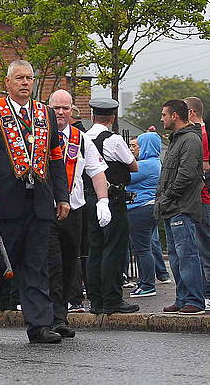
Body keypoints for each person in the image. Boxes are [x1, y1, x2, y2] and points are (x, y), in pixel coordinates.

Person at [0, 59, 70, 344]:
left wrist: (61, 196)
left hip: (38, 201)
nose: (25, 83)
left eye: (29, 78)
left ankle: (39, 325)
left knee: (37, 265)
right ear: (8, 83)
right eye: (19, 78)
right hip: (5, 202)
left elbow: (55, 158)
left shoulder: (45, 113)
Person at [47, 90, 109, 338]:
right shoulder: (39, 137)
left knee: (70, 263)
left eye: (65, 108)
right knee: (52, 263)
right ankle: (50, 317)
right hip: (45, 210)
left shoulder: (81, 139)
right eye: (56, 108)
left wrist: (103, 200)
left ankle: (60, 316)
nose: (60, 112)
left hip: (74, 210)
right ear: (48, 109)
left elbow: (97, 172)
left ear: (72, 111)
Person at [84, 98, 139, 315]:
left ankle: (96, 300)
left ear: (92, 116)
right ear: (113, 118)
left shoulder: (84, 138)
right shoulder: (114, 140)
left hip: (89, 199)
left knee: (94, 249)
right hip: (113, 199)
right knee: (114, 249)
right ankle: (112, 299)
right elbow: (133, 166)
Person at [156, 99, 205, 314]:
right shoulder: (178, 140)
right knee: (176, 258)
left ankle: (195, 300)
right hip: (172, 207)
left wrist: (166, 198)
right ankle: (183, 298)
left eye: (164, 115)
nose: (161, 119)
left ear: (175, 115)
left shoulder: (190, 140)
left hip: (181, 208)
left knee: (187, 256)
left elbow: (186, 175)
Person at [126, 133, 162, 298]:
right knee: (143, 248)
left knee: (142, 249)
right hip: (148, 208)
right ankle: (143, 282)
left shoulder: (146, 165)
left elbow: (125, 178)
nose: (134, 148)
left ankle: (147, 284)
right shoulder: (156, 162)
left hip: (140, 208)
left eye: (138, 145)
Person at [184, 97, 210, 311]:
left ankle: (207, 292)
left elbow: (204, 166)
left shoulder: (200, 136)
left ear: (191, 112)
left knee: (203, 248)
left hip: (202, 198)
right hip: (201, 197)